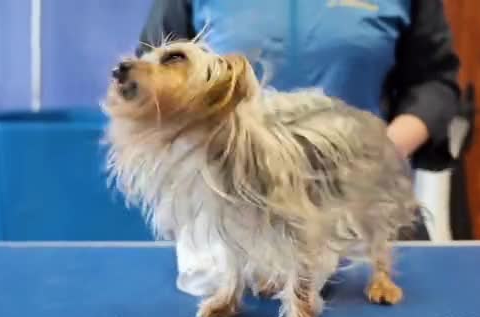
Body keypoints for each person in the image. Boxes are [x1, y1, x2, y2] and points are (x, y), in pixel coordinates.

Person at [135, 0, 462, 296]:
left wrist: (380, 152)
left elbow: (434, 81)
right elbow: (147, 80)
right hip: (236, 205)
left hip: (361, 191)